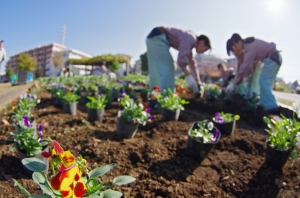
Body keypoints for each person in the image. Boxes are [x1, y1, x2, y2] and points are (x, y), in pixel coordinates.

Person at [226, 33, 282, 113]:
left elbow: (244, 66)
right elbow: (246, 65)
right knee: (264, 82)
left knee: (264, 81)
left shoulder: (249, 47)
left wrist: (233, 83)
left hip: (272, 58)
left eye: (235, 47)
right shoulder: (248, 47)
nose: (235, 50)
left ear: (239, 42)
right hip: (272, 59)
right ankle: (263, 105)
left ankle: (272, 107)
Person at [146, 26, 211, 93]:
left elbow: (191, 62)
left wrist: (197, 79)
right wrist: (187, 75)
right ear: (202, 42)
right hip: (159, 38)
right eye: (205, 49)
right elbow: (181, 59)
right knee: (169, 68)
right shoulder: (191, 38)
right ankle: (167, 97)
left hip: (152, 38)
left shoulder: (190, 41)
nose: (203, 52)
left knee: (156, 70)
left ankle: (153, 96)